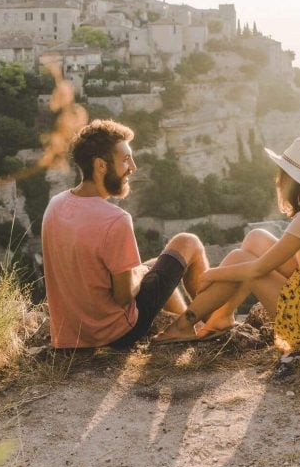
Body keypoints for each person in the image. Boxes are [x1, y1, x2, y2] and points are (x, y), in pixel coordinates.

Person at [153, 137, 300, 352]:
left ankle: (185, 324)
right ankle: (221, 317)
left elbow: (258, 269)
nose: (277, 180)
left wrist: (210, 275)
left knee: (245, 263)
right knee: (256, 238)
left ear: (291, 180)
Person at [41, 119, 209, 349]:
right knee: (188, 242)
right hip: (115, 333)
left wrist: (140, 271)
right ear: (101, 165)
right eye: (126, 159)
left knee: (153, 267)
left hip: (72, 336)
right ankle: (212, 324)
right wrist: (139, 272)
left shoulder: (55, 205)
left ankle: (184, 327)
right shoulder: (115, 219)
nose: (133, 167)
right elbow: (124, 296)